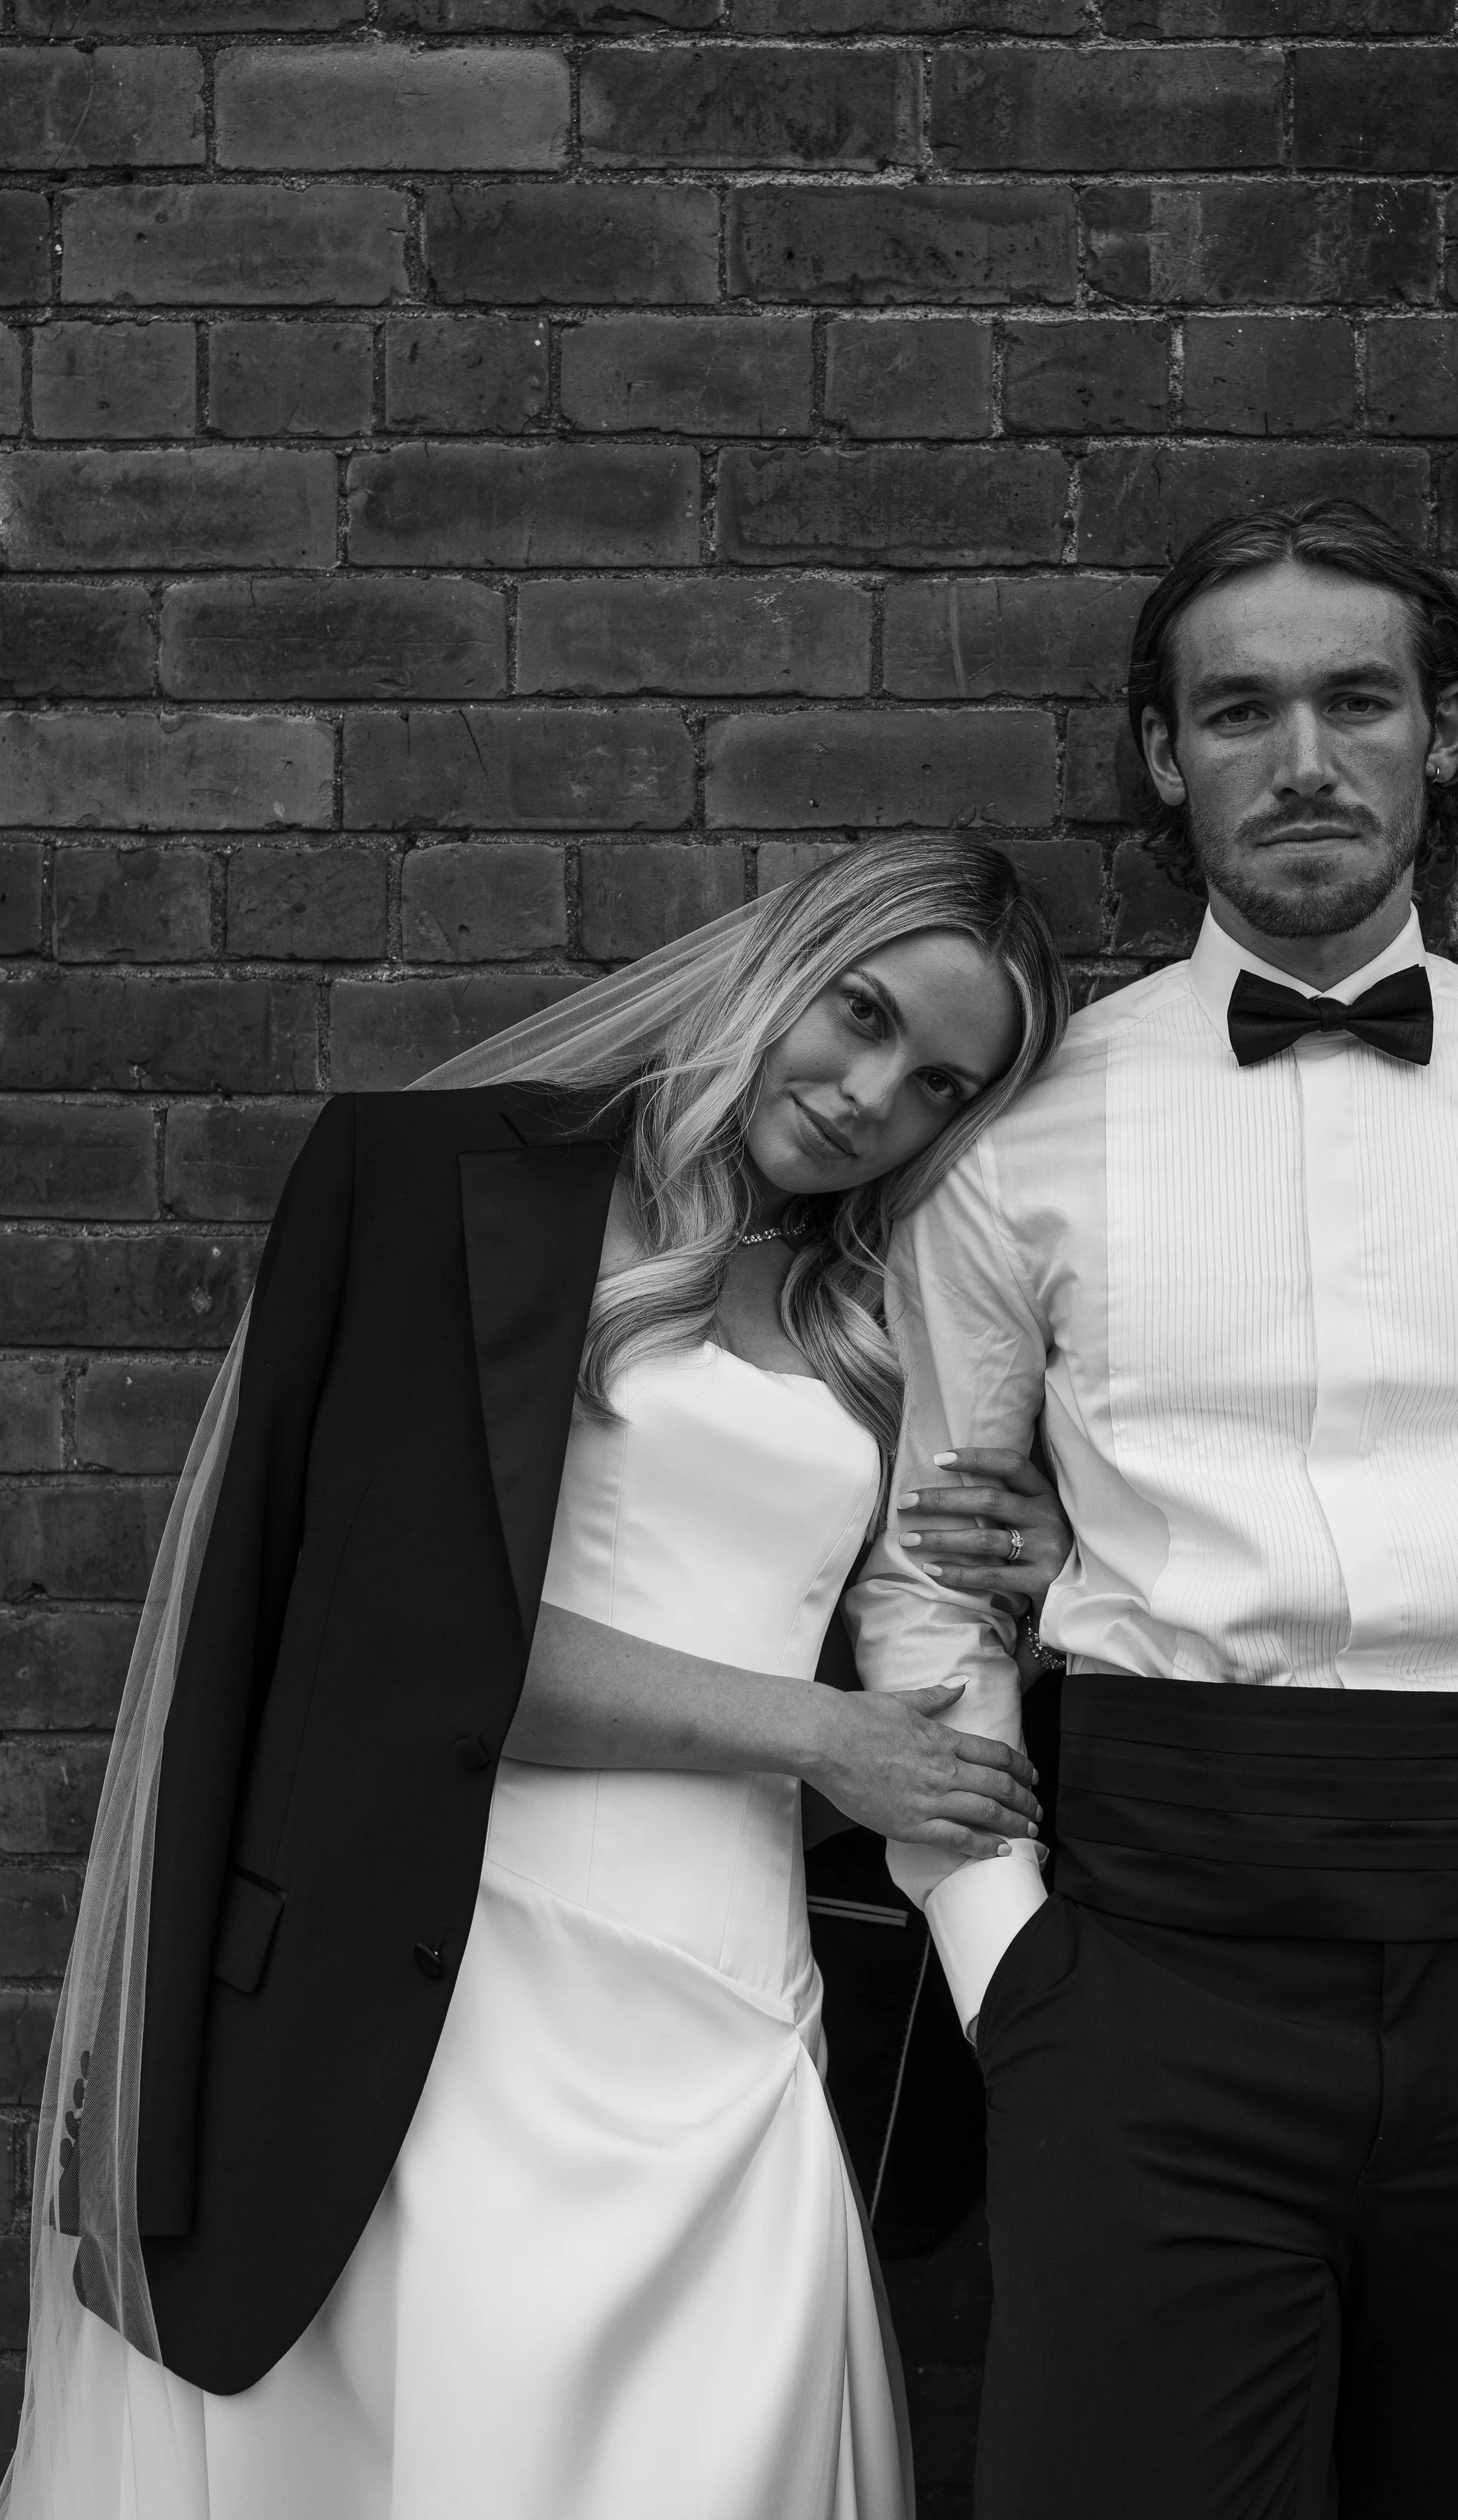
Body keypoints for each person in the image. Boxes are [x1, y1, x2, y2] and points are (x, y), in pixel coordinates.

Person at [847, 500, 1458, 2520]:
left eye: (1355, 700)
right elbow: (929, 1578)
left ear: (1438, 738)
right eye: (1237, 707)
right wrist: (1003, 1953)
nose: (1300, 758)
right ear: (1159, 756)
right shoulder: (1022, 1141)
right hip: (1149, 1951)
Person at [7, 836, 1075, 2520]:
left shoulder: (886, 1318)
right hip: (426, 2002)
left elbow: (918, 1644)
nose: (872, 1093)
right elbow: (393, 1637)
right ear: (777, 964)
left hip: (731, 2015)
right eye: (856, 1015)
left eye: (938, 1082)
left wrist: (1039, 1576)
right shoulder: (435, 1185)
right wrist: (813, 1734)